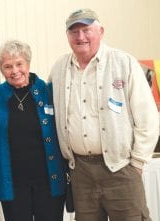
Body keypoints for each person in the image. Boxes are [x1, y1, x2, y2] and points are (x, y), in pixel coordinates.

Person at [49, 8, 159, 221]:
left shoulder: (124, 63)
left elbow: (148, 119)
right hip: (80, 172)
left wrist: (136, 163)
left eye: (86, 30)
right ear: (67, 36)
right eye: (74, 32)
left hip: (121, 168)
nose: (80, 37)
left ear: (101, 31)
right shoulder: (59, 68)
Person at [0, 40, 66, 221]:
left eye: (19, 64)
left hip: (48, 180)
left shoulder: (47, 91)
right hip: (13, 183)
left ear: (28, 63)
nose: (14, 71)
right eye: (7, 66)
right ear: (1, 70)